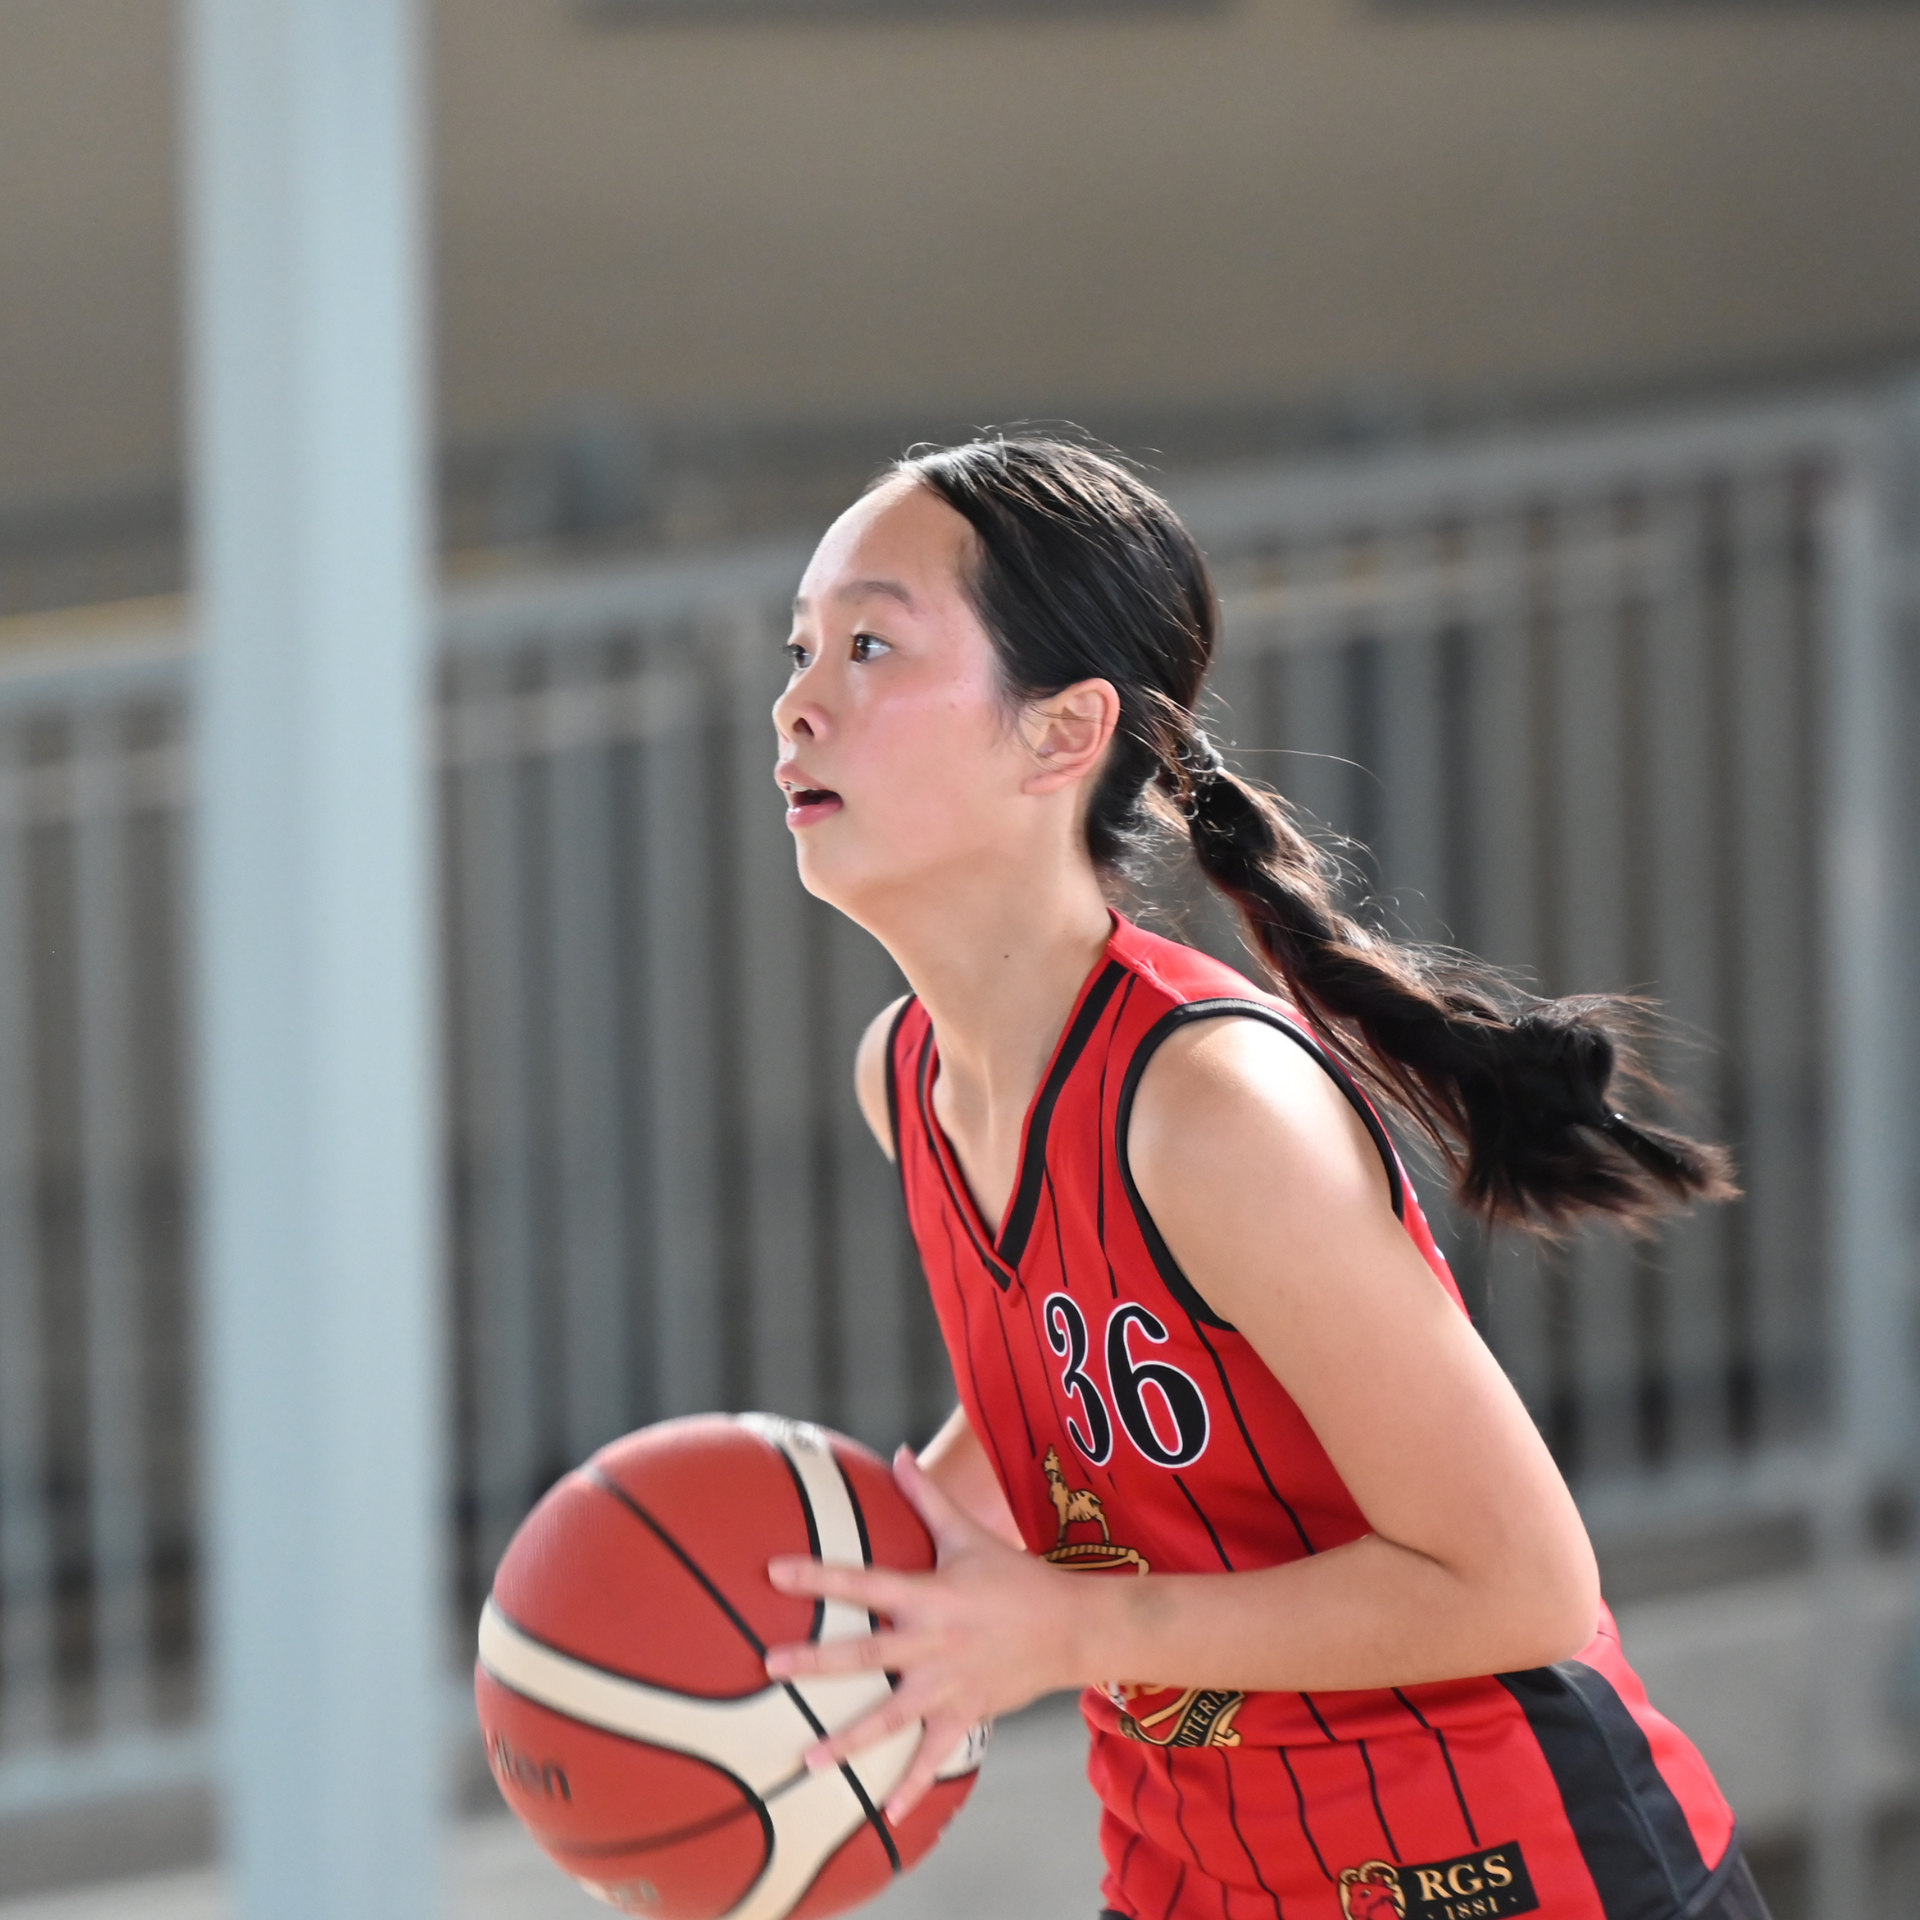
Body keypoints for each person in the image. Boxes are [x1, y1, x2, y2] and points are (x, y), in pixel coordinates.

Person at [760, 437, 1764, 1920]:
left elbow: (1522, 1584)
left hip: (1501, 1874)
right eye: (798, 650)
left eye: (868, 645)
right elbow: (1060, 1406)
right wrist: (859, 1582)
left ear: (1061, 734)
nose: (795, 702)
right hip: (1200, 1874)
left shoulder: (1210, 1109)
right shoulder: (906, 1076)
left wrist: (1066, 1632)